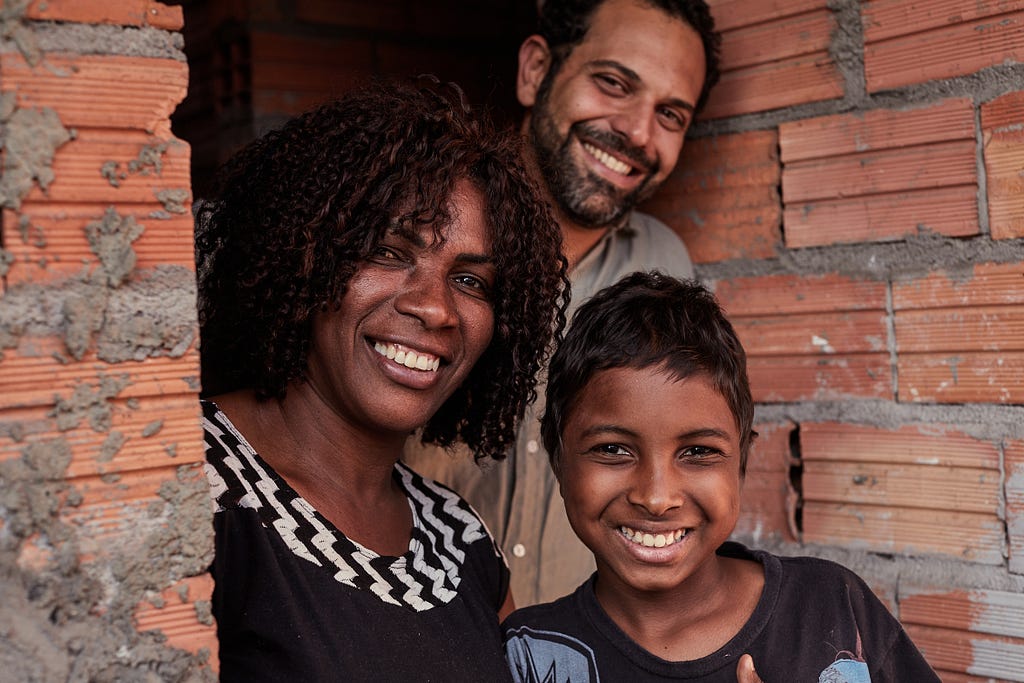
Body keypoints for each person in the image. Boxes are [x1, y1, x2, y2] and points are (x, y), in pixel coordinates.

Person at [194, 78, 568, 680]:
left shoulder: (458, 539)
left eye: (472, 281)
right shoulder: (195, 485)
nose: (437, 308)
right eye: (391, 252)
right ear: (306, 253)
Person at [405, 0, 723, 606]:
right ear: (535, 71)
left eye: (670, 114)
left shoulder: (666, 271)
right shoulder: (424, 232)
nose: (636, 131)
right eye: (613, 83)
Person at [502, 271, 940, 682]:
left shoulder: (831, 606)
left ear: (742, 460)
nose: (657, 498)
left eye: (697, 452)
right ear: (559, 460)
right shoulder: (529, 654)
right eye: (613, 449)